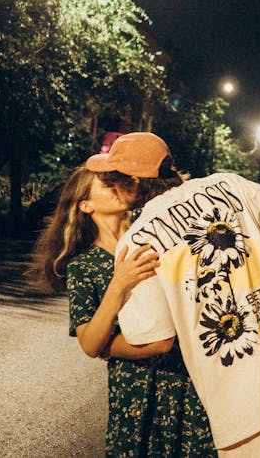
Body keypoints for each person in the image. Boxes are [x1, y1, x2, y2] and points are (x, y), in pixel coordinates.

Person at [86, 128, 260, 457]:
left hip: (243, 396)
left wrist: (105, 347)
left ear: (129, 181)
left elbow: (156, 340)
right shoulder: (225, 185)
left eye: (113, 179)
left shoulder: (136, 242)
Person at [28, 166, 217, 458]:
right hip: (136, 391)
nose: (118, 186)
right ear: (86, 205)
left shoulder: (154, 232)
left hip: (190, 378)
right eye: (106, 184)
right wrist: (118, 284)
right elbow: (90, 343)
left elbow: (214, 243)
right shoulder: (84, 266)